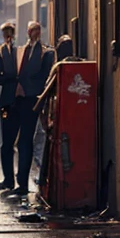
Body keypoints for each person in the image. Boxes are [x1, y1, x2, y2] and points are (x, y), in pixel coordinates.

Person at [34, 34, 81, 194]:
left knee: (47, 152)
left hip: (56, 117)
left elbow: (47, 93)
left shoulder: (58, 67)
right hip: (73, 119)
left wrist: (44, 118)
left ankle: (44, 184)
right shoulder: (78, 64)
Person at [12, 21, 54, 196]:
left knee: (32, 140)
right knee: (24, 141)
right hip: (23, 99)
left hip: (36, 98)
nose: (34, 33)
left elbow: (42, 73)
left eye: (36, 30)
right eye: (31, 30)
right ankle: (22, 181)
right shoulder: (23, 50)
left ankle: (30, 181)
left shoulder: (45, 52)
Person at [0, 22, 19, 191]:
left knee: (7, 143)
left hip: (8, 98)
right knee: (15, 142)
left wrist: (3, 75)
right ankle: (15, 180)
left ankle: (9, 180)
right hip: (18, 98)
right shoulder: (20, 51)